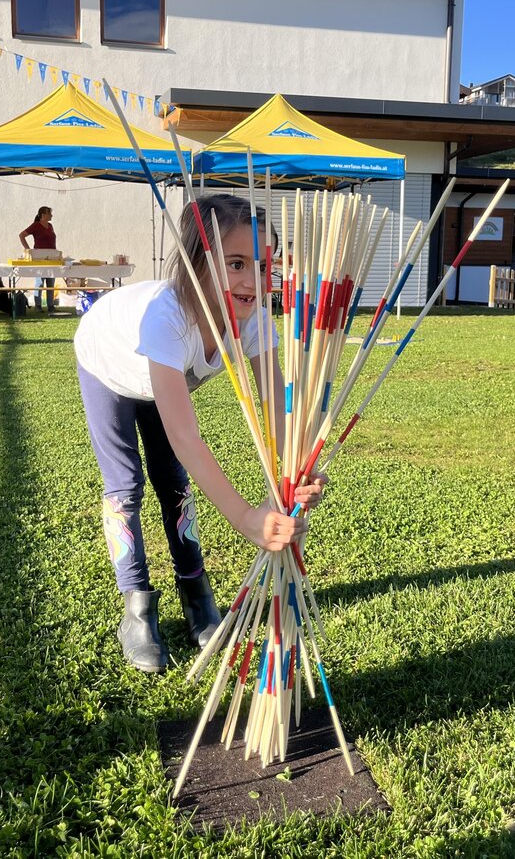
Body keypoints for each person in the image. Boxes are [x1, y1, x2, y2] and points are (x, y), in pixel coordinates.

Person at [73, 194, 326, 673]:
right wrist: (245, 517)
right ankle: (137, 608)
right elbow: (185, 435)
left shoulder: (253, 319)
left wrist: (300, 468)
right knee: (125, 487)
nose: (253, 281)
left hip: (160, 379)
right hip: (108, 364)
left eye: (264, 266)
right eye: (236, 263)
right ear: (196, 263)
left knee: (174, 482)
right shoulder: (167, 317)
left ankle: (196, 595)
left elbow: (277, 409)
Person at [19, 206, 57, 313]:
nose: (51, 215)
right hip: (40, 257)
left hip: (51, 257)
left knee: (51, 282)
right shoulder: (36, 225)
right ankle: (38, 305)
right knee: (40, 282)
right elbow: (22, 235)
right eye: (49, 213)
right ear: (43, 215)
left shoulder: (50, 226)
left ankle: (50, 305)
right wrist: (28, 250)